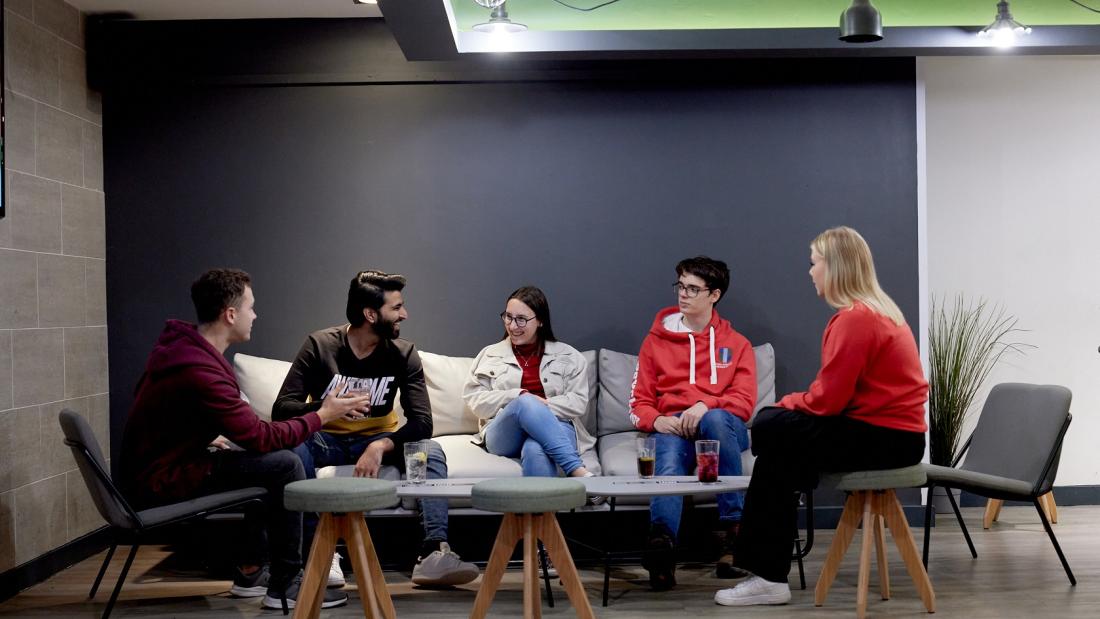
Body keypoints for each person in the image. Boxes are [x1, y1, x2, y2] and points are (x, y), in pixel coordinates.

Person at [715, 226, 928, 607]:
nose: (810, 272)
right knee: (778, 450)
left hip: (885, 437)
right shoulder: (876, 313)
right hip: (893, 435)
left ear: (835, 268)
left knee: (769, 425)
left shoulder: (856, 319)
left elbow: (827, 401)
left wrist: (786, 405)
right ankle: (768, 577)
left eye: (814, 264)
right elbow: (835, 398)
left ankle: (767, 578)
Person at [120, 269, 353, 611]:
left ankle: (251, 572)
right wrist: (323, 415)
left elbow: (175, 421)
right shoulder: (200, 368)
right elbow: (259, 436)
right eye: (251, 307)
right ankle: (286, 585)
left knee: (268, 460)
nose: (254, 315)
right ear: (230, 314)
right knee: (285, 464)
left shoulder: (184, 352)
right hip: (158, 484)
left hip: (168, 467)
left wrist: (207, 439)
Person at [273, 270, 479, 587]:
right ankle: (320, 553)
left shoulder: (403, 354)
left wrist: (380, 446)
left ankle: (433, 552)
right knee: (292, 451)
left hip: (379, 439)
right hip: (326, 440)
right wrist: (326, 408)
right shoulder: (320, 346)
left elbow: (423, 423)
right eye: (396, 308)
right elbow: (282, 408)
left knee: (428, 451)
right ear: (371, 314)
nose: (404, 314)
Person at [629, 256, 757, 591]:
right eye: (680, 286)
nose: (682, 295)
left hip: (722, 429)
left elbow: (744, 403)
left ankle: (733, 533)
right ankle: (662, 548)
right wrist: (657, 420)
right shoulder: (654, 342)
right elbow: (638, 401)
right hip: (676, 428)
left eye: (692, 289)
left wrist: (705, 404)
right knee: (667, 454)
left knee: (714, 419)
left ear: (714, 295)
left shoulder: (737, 344)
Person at [462, 286, 597, 479]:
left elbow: (578, 403)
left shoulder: (569, 356)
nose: (513, 326)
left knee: (535, 449)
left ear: (540, 321)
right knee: (524, 401)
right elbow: (475, 401)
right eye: (508, 317)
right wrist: (518, 397)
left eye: (521, 319)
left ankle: (540, 510)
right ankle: (577, 470)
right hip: (505, 434)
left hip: (557, 427)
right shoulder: (489, 355)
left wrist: (543, 405)